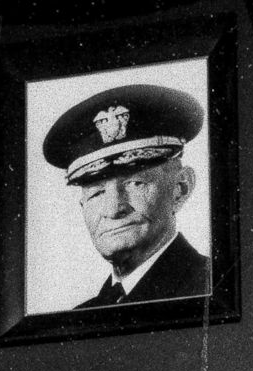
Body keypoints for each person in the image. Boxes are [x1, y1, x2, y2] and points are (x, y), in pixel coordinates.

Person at [42, 84, 211, 308]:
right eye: (97, 192)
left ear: (181, 188)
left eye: (135, 183)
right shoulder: (80, 316)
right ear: (82, 205)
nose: (113, 209)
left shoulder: (214, 287)